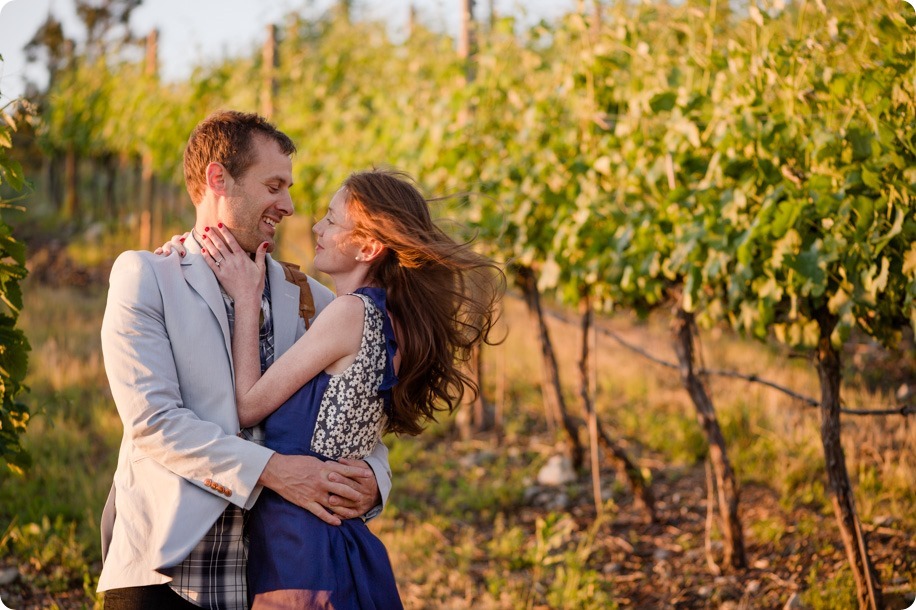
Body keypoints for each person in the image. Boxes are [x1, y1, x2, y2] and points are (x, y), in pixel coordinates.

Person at [98, 111, 392, 610]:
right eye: (274, 185)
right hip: (166, 574)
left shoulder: (313, 299)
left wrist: (374, 481)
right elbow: (153, 422)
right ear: (219, 179)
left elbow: (357, 412)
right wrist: (274, 470)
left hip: (273, 576)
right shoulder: (147, 276)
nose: (290, 205)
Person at [190, 168, 504, 609]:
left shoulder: (349, 315)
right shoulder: (389, 321)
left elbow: (247, 406)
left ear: (369, 246)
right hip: (331, 538)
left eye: (333, 221)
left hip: (301, 546)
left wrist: (246, 298)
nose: (316, 226)